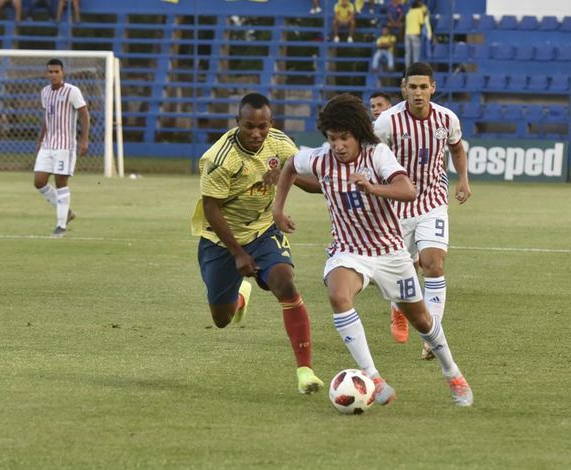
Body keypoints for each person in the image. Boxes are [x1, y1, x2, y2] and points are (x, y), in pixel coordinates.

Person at [273, 93, 473, 407]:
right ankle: (373, 378)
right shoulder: (320, 158)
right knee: (339, 295)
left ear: (358, 134)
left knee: (422, 321)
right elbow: (289, 166)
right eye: (332, 138)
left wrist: (372, 187)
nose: (338, 145)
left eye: (345, 138)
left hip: (391, 252)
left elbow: (408, 190)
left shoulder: (377, 155)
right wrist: (278, 211)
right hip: (350, 250)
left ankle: (452, 372)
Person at [190, 93, 324, 395]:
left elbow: (311, 181)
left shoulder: (280, 144)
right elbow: (211, 207)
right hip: (220, 240)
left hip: (264, 231)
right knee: (222, 320)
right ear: (238, 122)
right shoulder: (218, 159)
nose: (256, 133)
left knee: (284, 283)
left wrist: (288, 176)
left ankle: (305, 372)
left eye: (262, 126)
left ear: (271, 123)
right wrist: (237, 253)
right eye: (249, 126)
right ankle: (240, 297)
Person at [373, 62, 471, 359]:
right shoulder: (387, 122)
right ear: (404, 88)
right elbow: (372, 156)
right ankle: (398, 309)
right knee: (400, 269)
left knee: (434, 264)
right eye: (412, 87)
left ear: (433, 88)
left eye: (423, 87)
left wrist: (463, 180)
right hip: (396, 205)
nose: (418, 93)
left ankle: (433, 336)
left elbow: (456, 148)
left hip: (432, 200)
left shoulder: (446, 118)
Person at [33, 59, 90, 238]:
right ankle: (66, 212)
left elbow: (84, 115)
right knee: (39, 181)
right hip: (48, 144)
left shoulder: (72, 91)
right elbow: (47, 118)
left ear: (62, 73)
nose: (54, 75)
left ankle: (61, 225)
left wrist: (84, 140)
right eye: (50, 72)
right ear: (46, 73)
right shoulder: (45, 92)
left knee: (60, 183)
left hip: (65, 145)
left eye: (57, 72)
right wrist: (40, 139)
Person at [404, 0, 425, 68]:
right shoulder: (419, 11)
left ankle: (407, 68)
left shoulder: (409, 11)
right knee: (416, 53)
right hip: (415, 33)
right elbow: (421, 22)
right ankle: (415, 68)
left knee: (408, 53)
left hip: (407, 33)